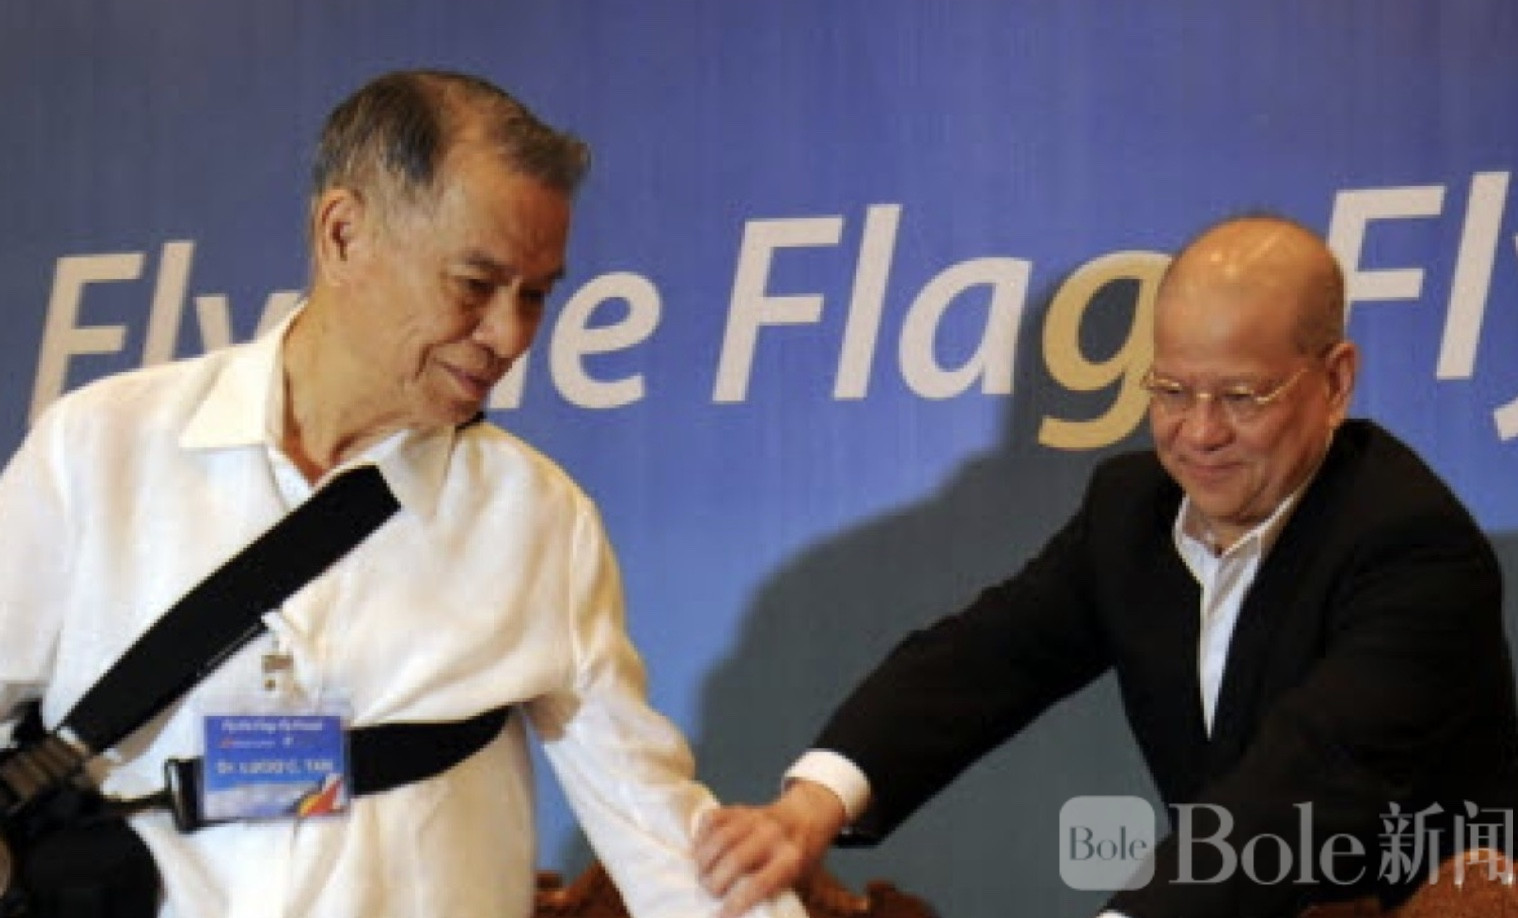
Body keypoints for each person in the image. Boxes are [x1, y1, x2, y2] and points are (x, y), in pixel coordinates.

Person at [0, 70, 806, 918]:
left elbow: (656, 834)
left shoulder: (536, 518)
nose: (509, 335)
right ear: (344, 235)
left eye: (536, 295)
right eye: (475, 284)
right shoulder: (101, 445)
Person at [695, 214, 1518, 917]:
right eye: (1171, 390)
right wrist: (814, 803)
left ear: (1334, 382)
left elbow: (1301, 783)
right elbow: (987, 657)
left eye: (1241, 397)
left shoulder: (1414, 546)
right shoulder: (1132, 509)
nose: (1199, 434)